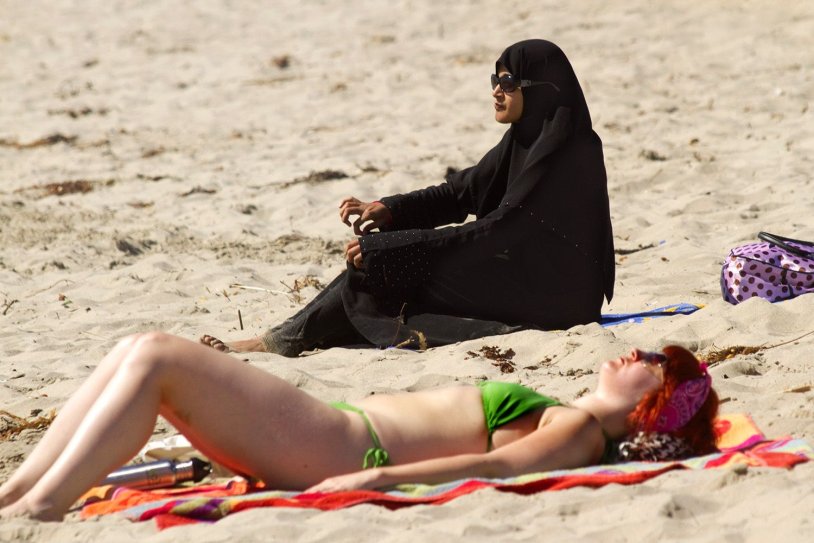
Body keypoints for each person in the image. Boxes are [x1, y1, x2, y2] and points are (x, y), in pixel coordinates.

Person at [0, 334, 717, 521]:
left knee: (157, 356)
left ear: (650, 404)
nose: (636, 354)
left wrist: (377, 477)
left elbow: (495, 472)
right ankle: (19, 493)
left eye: (653, 364)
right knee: (137, 350)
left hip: (342, 445)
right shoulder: (569, 414)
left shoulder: (578, 432)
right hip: (332, 431)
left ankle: (41, 502)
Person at [200, 39, 615, 356]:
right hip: (525, 272)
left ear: (540, 90)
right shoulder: (526, 139)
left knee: (381, 274)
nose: (496, 91)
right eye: (495, 80)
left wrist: (393, 248)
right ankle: (286, 339)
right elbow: (461, 192)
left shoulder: (564, 153)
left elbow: (496, 231)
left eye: (508, 82)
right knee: (385, 277)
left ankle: (272, 343)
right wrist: (391, 211)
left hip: (557, 296)